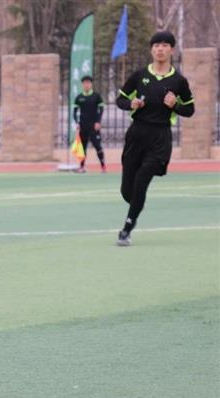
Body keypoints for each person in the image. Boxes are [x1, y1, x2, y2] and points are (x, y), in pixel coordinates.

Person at [115, 31, 194, 246]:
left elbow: (190, 110)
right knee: (127, 190)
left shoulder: (179, 81)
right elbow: (120, 100)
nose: (160, 49)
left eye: (165, 45)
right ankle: (137, 204)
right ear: (151, 50)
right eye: (156, 45)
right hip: (137, 134)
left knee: (142, 180)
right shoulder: (139, 76)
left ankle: (126, 230)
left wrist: (175, 105)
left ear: (171, 50)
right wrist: (130, 104)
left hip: (160, 137)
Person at [73, 76, 106, 173]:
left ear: (91, 84)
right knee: (82, 147)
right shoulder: (79, 97)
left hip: (93, 126)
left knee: (97, 146)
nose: (86, 85)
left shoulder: (96, 96)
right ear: (82, 85)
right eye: (84, 83)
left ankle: (103, 166)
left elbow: (101, 109)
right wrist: (77, 123)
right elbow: (74, 112)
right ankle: (82, 167)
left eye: (88, 83)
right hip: (83, 126)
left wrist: (98, 122)